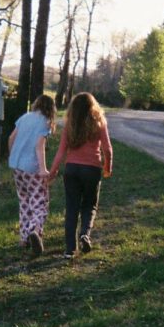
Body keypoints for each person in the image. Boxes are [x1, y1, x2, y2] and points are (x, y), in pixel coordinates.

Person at [49, 92, 113, 259]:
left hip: (71, 170)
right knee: (90, 205)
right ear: (93, 107)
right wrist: (107, 167)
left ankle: (70, 250)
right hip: (92, 169)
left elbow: (61, 151)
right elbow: (107, 149)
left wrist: (53, 171)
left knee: (72, 208)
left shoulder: (69, 125)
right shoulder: (99, 122)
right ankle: (85, 234)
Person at [8, 94, 56, 255]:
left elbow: (11, 138)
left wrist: (13, 156)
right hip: (32, 168)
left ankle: (23, 238)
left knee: (24, 202)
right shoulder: (45, 122)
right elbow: (39, 147)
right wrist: (43, 169)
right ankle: (35, 231)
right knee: (39, 202)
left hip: (16, 166)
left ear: (36, 104)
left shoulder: (25, 117)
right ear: (50, 108)